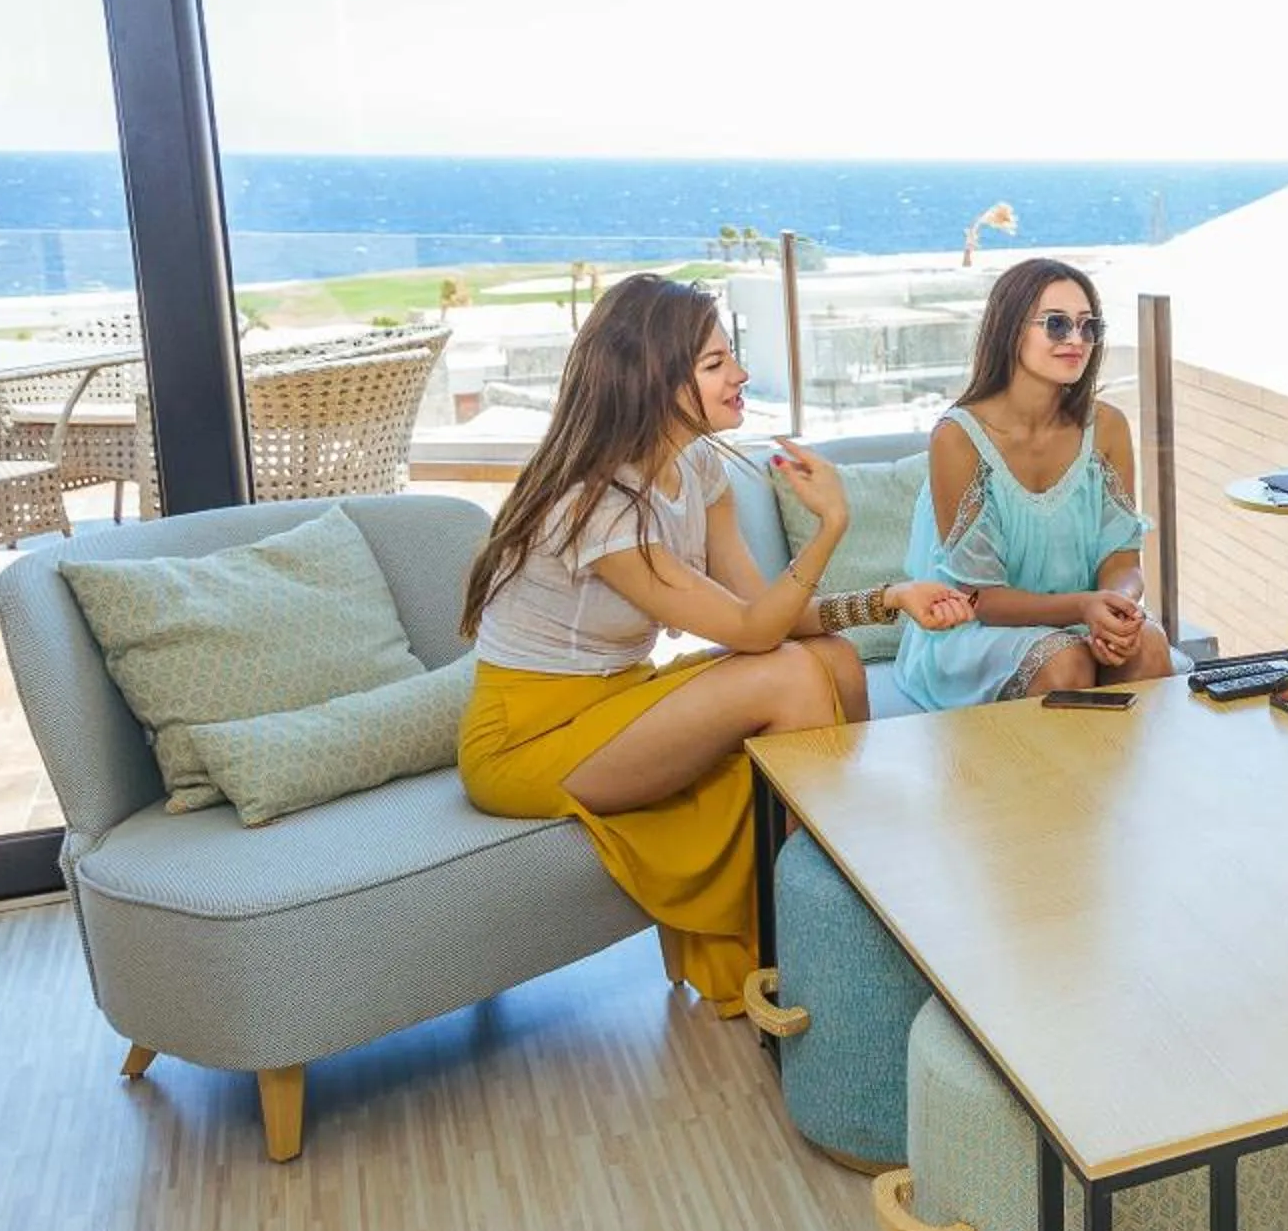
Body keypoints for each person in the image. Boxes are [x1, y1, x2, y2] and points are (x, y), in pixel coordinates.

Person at [459, 275, 973, 1017]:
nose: (741, 374)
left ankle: (840, 903)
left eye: (730, 355)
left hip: (613, 700)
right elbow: (758, 634)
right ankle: (820, 933)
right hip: (526, 739)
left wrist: (889, 598)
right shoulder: (597, 502)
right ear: (653, 379)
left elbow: (770, 612)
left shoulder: (697, 466)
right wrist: (831, 526)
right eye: (714, 363)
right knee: (791, 677)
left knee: (831, 660)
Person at [894, 256, 1175, 707]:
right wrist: (1085, 607)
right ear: (1010, 329)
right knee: (1065, 663)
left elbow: (1123, 561)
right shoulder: (958, 438)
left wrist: (1117, 608)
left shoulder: (1107, 427)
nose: (1076, 340)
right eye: (1057, 325)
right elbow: (979, 597)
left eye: (1088, 326)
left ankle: (1140, 779)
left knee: (1149, 646)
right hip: (977, 631)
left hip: (1083, 615)